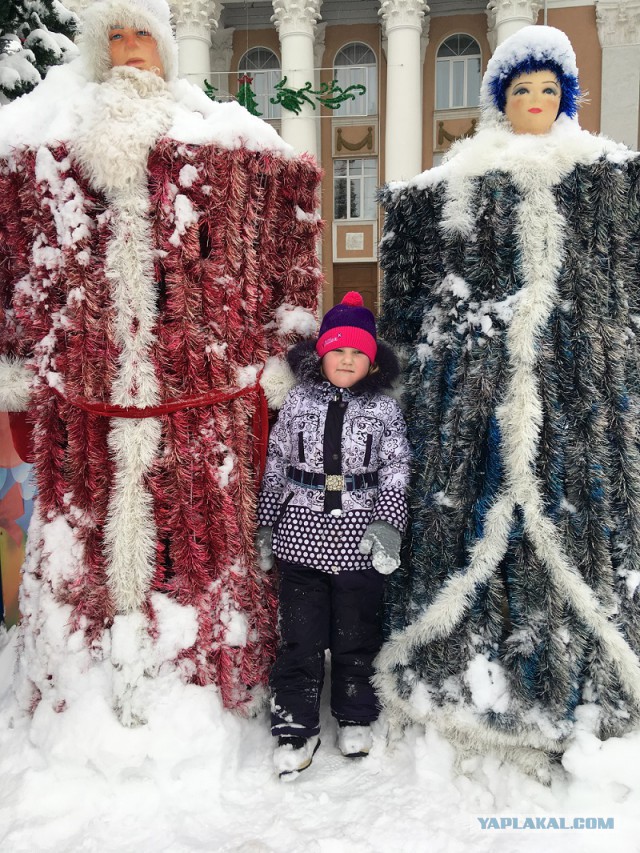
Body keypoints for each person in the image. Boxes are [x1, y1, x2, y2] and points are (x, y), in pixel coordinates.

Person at [0, 0, 322, 724]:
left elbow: (294, 243)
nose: (127, 48)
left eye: (141, 33)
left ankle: (198, 706)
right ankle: (80, 708)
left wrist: (280, 358)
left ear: (167, 47)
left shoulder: (228, 140)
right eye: (113, 36)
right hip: (84, 416)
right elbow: (12, 264)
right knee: (85, 542)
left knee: (193, 544)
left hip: (198, 413)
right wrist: (19, 367)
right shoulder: (34, 144)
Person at [375, 26, 640, 779]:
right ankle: (465, 679)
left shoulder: (608, 178)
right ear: (498, 99)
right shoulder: (448, 188)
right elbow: (412, 310)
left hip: (576, 411)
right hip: (471, 408)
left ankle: (571, 690)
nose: (533, 102)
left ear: (567, 98)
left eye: (548, 90)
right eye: (520, 90)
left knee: (568, 526)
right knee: (474, 521)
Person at [255, 292, 410, 778]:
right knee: (300, 639)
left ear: (371, 361)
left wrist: (387, 524)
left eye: (357, 353)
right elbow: (277, 461)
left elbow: (397, 469)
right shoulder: (299, 401)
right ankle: (295, 724)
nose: (346, 360)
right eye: (338, 350)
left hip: (359, 543)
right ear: (321, 354)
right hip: (300, 539)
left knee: (355, 635)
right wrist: (266, 521)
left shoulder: (384, 410)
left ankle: (356, 714)